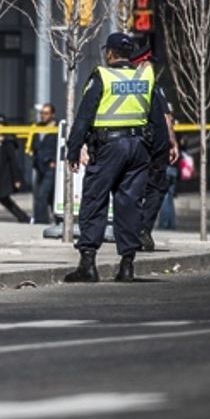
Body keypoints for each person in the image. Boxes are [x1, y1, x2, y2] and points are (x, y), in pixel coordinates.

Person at [63, 32, 167, 283]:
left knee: (94, 200)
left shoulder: (103, 76)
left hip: (108, 147)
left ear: (109, 53)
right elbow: (159, 121)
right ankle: (127, 265)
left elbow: (84, 116)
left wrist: (74, 149)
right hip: (139, 147)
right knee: (130, 204)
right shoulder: (145, 79)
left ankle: (88, 264)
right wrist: (159, 157)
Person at [129, 42, 177, 252]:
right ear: (144, 63)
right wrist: (172, 143)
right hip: (154, 146)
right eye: (149, 63)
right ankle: (142, 230)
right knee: (156, 187)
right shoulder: (154, 87)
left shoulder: (123, 85)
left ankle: (130, 231)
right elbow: (166, 118)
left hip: (128, 144)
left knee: (130, 188)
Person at [0, 114, 30, 223]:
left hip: (4, 176)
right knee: (4, 199)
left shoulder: (8, 142)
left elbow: (14, 161)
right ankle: (24, 218)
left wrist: (17, 179)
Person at [30, 103, 58, 225]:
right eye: (41, 113)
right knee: (45, 195)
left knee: (43, 195)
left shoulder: (57, 128)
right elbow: (34, 144)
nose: (43, 116)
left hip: (51, 167)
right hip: (39, 166)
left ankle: (40, 221)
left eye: (46, 113)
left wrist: (55, 161)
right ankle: (58, 219)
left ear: (52, 114)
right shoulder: (37, 127)